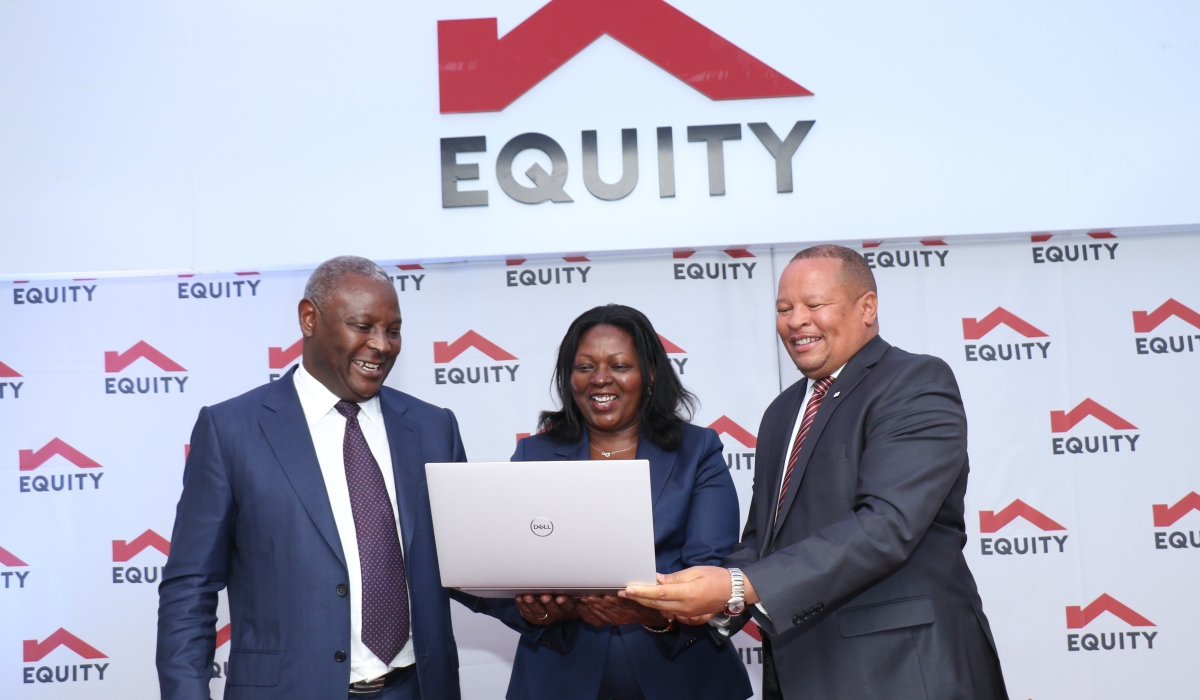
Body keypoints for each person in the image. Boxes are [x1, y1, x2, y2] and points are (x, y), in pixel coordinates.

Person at [624, 245, 1008, 699]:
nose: (796, 321)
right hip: (803, 671)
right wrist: (703, 600)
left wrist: (739, 585)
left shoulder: (914, 382)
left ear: (867, 307)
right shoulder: (782, 411)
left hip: (904, 672)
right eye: (784, 308)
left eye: (815, 304)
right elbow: (763, 541)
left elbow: (886, 525)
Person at [157, 256, 466, 700]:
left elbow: (466, 562)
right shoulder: (231, 431)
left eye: (393, 330)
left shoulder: (434, 427)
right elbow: (191, 587)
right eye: (363, 326)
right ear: (309, 318)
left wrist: (545, 606)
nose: (382, 345)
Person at [452, 304, 751, 700]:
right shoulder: (533, 454)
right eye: (585, 367)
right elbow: (494, 569)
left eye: (620, 365)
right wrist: (536, 610)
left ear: (650, 374)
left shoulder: (697, 450)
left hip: (685, 678)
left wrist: (654, 611)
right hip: (557, 682)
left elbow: (712, 572)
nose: (600, 378)